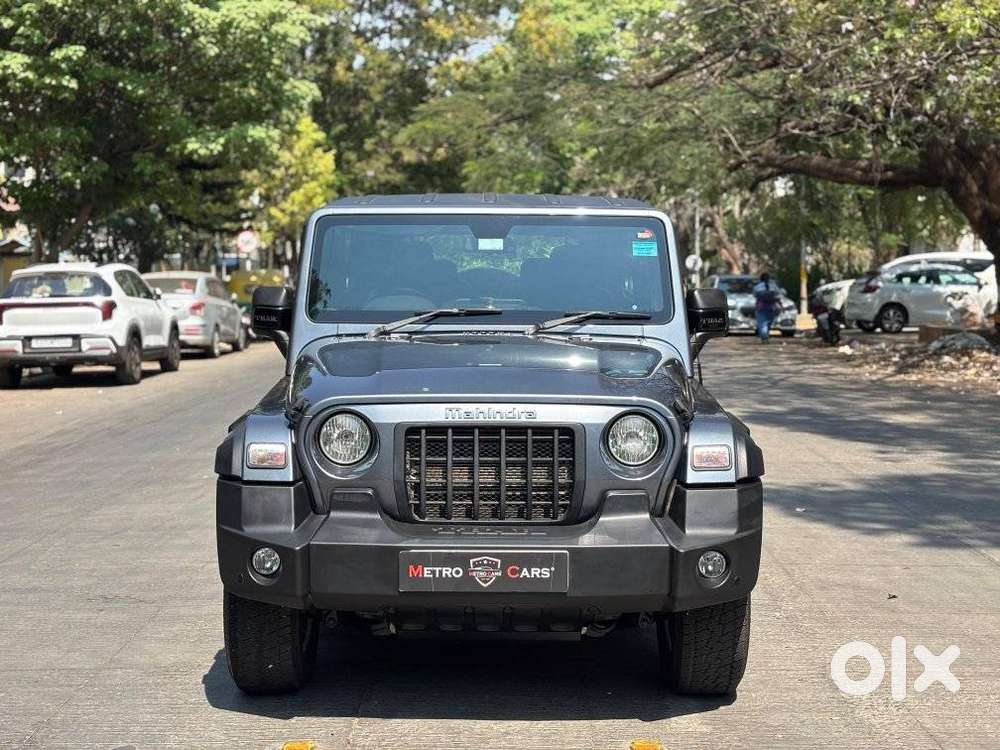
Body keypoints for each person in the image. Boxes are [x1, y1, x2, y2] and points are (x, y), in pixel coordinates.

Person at [752, 272, 781, 343]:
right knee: (768, 322)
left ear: (761, 279)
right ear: (769, 279)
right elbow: (778, 294)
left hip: (761, 306)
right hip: (771, 307)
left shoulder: (757, 286)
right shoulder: (773, 286)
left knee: (762, 323)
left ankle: (764, 337)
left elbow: (754, 295)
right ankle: (765, 336)